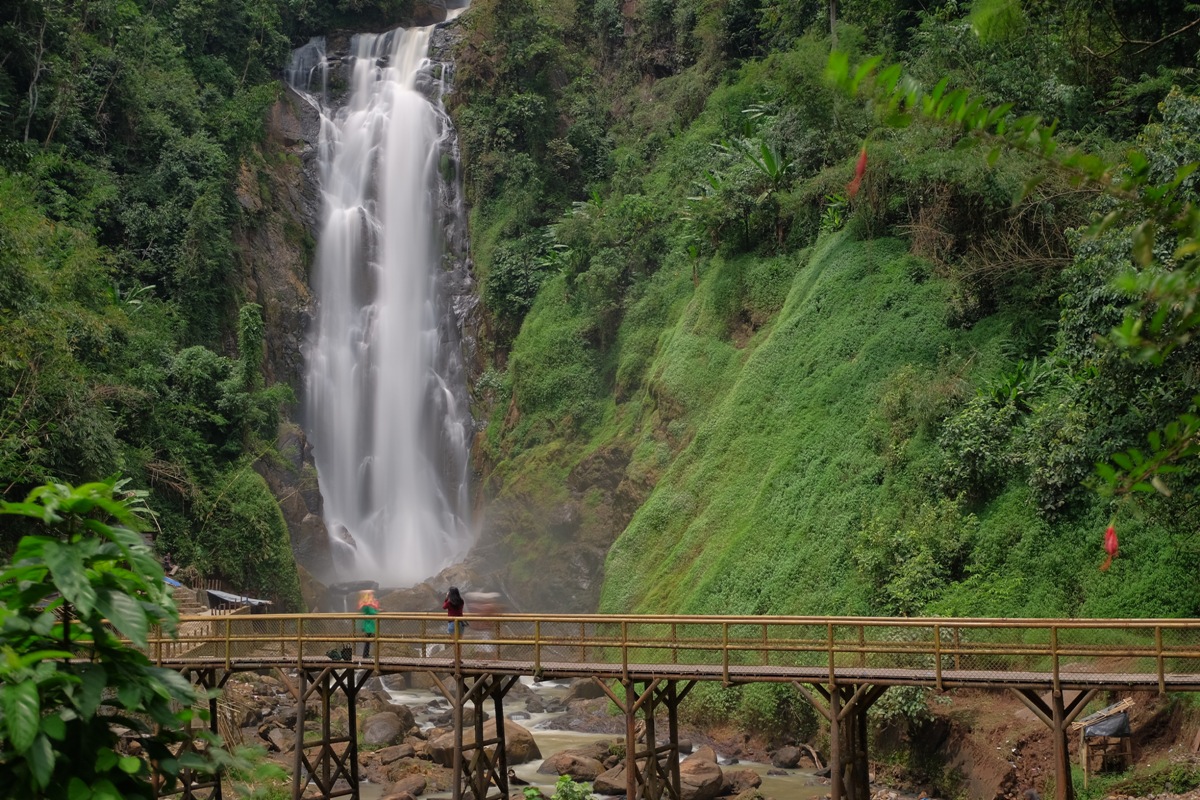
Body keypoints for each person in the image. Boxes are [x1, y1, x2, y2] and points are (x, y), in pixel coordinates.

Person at [358, 589, 380, 658]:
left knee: (368, 641)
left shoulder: (365, 605)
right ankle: (365, 655)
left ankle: (366, 654)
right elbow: (372, 612)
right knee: (368, 641)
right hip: (369, 625)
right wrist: (377, 612)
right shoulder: (367, 606)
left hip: (368, 624)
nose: (372, 596)